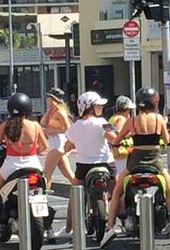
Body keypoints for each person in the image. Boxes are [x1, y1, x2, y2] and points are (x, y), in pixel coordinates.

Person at [103, 87, 170, 247]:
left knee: (117, 191)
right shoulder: (159, 119)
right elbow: (166, 141)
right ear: (155, 102)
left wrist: (120, 142)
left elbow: (116, 140)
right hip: (155, 162)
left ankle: (109, 227)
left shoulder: (131, 121)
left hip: (135, 163)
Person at [0, 92, 48, 237]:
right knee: (43, 190)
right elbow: (44, 147)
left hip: (11, 165)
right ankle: (49, 228)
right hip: (33, 164)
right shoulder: (35, 125)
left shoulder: (6, 126)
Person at [63, 91, 117, 237]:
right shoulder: (103, 123)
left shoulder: (74, 127)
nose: (101, 108)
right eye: (98, 105)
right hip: (107, 164)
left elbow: (67, 147)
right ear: (90, 107)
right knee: (118, 193)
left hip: (84, 166)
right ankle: (124, 219)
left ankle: (69, 228)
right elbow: (115, 138)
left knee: (74, 196)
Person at [40, 87, 75, 189]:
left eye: (49, 98)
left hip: (58, 142)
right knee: (67, 173)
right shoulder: (51, 111)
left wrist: (53, 131)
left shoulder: (60, 112)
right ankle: (81, 190)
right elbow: (42, 123)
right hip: (54, 142)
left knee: (46, 173)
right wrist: (47, 112)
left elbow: (68, 128)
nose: (47, 100)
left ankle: (44, 196)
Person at [108, 95, 136, 176]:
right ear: (127, 109)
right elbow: (119, 133)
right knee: (122, 176)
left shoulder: (113, 118)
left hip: (114, 152)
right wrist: (131, 133)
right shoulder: (121, 119)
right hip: (121, 153)